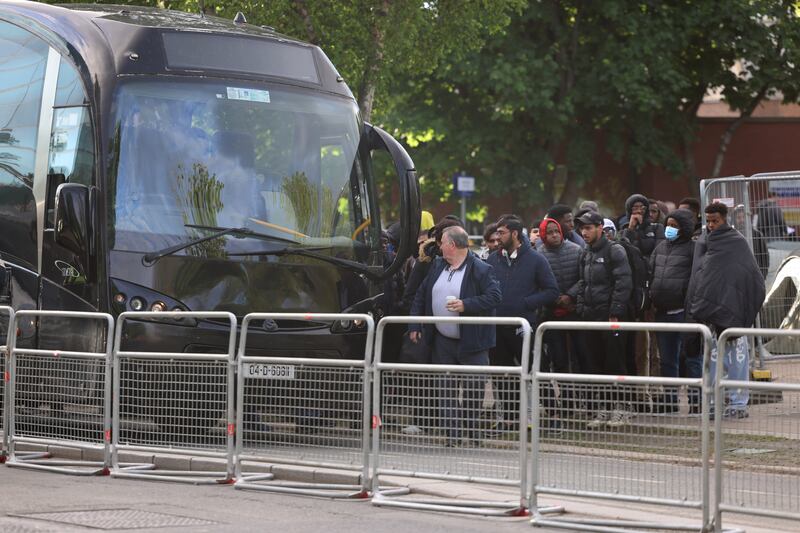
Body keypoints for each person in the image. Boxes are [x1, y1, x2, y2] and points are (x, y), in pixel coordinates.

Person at [409, 226, 502, 445]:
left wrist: (465, 305)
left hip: (473, 342)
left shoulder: (480, 269)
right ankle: (453, 435)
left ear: (452, 245)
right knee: (445, 389)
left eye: (442, 242)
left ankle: (473, 434)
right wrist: (415, 324)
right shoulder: (438, 265)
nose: (439, 246)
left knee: (473, 389)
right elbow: (421, 295)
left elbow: (495, 296)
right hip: (442, 340)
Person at [687, 202, 766, 419]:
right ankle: (712, 404)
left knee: (738, 361)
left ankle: (738, 405)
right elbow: (701, 275)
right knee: (711, 362)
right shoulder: (703, 241)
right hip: (711, 315)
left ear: (724, 219)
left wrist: (734, 306)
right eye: (708, 221)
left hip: (733, 313)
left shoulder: (736, 241)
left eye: (716, 221)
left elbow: (749, 275)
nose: (711, 225)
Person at [486, 214, 558, 428]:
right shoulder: (492, 259)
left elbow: (552, 290)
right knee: (503, 374)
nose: (498, 237)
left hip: (524, 326)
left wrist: (526, 303)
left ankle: (552, 416)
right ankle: (509, 419)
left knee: (536, 370)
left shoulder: (536, 259)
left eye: (502, 232)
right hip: (498, 327)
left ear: (515, 234)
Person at [575, 211, 633, 428]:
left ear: (600, 227)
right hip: (591, 316)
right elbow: (582, 283)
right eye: (582, 228)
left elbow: (623, 282)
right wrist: (581, 307)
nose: (584, 232)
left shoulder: (615, 250)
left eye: (589, 227)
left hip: (611, 316)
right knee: (595, 362)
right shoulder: (585, 253)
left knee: (615, 361)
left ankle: (622, 407)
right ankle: (604, 407)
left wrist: (616, 310)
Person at [649, 209, 696, 413]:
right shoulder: (660, 248)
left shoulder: (693, 249)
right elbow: (651, 273)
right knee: (667, 359)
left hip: (684, 312)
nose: (670, 229)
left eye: (675, 226)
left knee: (692, 357)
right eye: (668, 224)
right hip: (662, 311)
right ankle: (670, 401)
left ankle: (697, 401)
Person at [537, 217, 584, 424]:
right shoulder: (539, 255)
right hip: (551, 313)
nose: (554, 235)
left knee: (581, 356)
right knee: (559, 359)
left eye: (557, 231)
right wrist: (553, 298)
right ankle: (565, 401)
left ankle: (587, 402)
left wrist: (570, 296)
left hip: (574, 311)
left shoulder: (576, 250)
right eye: (550, 232)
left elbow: (584, 278)